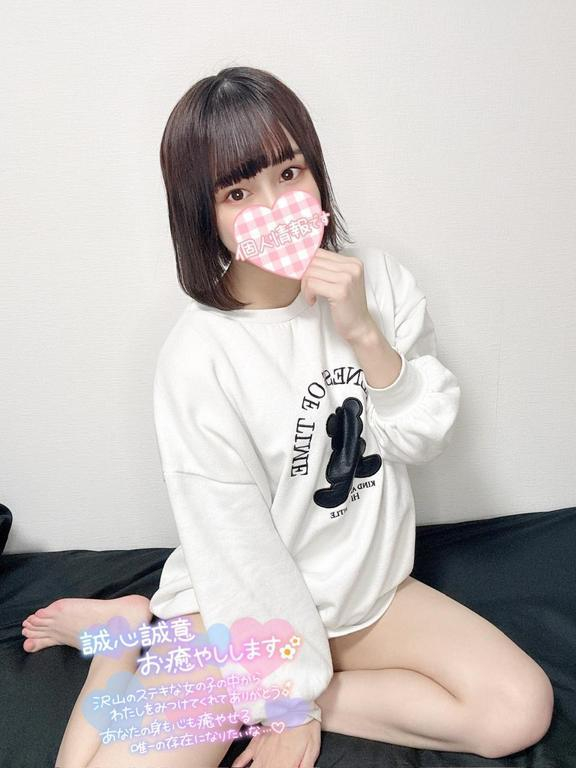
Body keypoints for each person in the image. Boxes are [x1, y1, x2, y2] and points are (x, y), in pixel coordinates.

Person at [22, 66, 554, 768]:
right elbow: (234, 540)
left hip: (364, 597)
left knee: (518, 708)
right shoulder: (198, 356)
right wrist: (280, 693)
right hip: (240, 616)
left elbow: (423, 436)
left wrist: (364, 333)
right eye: (237, 192)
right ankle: (122, 641)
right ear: (202, 213)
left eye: (289, 172)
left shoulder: (378, 281)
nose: (275, 205)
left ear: (316, 171)